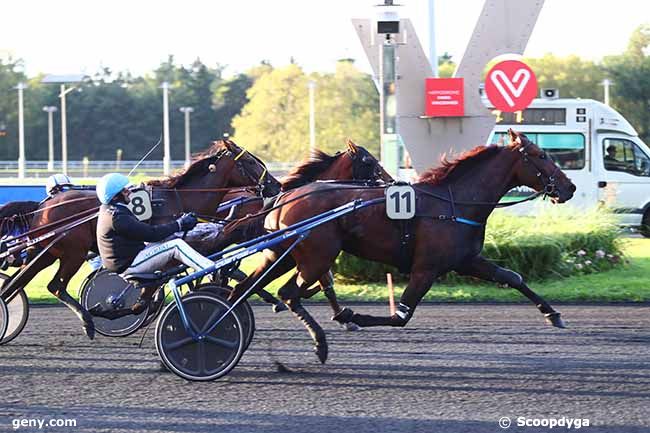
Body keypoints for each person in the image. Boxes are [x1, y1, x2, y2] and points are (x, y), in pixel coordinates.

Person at [96, 173, 214, 277]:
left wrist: (177, 226)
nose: (130, 192)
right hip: (129, 265)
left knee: (172, 238)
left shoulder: (111, 210)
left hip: (131, 256)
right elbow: (152, 234)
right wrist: (180, 224)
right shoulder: (116, 217)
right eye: (125, 190)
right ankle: (211, 269)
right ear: (116, 196)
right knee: (175, 245)